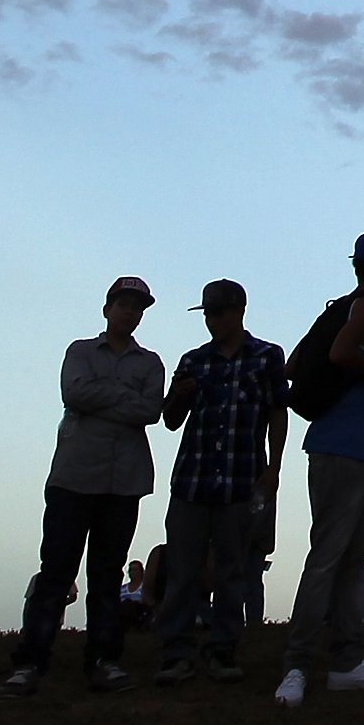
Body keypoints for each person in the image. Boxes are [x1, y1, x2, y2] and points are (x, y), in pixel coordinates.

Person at [2, 276, 167, 696]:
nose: (131, 313)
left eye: (138, 307)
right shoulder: (79, 351)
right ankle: (31, 661)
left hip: (123, 482)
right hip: (73, 478)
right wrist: (121, 399)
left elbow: (150, 410)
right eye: (124, 304)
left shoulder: (150, 362)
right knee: (56, 572)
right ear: (108, 307)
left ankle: (104, 660)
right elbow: (75, 393)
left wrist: (103, 398)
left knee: (107, 575)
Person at [276, 230, 364, 707]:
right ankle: (298, 664)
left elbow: (296, 363)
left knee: (352, 557)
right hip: (343, 448)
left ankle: (348, 661)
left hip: (343, 448)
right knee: (331, 556)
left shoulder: (343, 306)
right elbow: (337, 355)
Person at [155, 278, 290, 685]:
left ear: (238, 312)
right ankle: (176, 652)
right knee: (182, 569)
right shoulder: (192, 360)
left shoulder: (267, 357)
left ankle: (222, 650)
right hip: (193, 480)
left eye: (217, 311)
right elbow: (171, 419)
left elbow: (278, 412)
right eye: (208, 313)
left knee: (233, 570)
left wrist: (274, 469)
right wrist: (178, 395)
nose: (211, 320)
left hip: (241, 479)